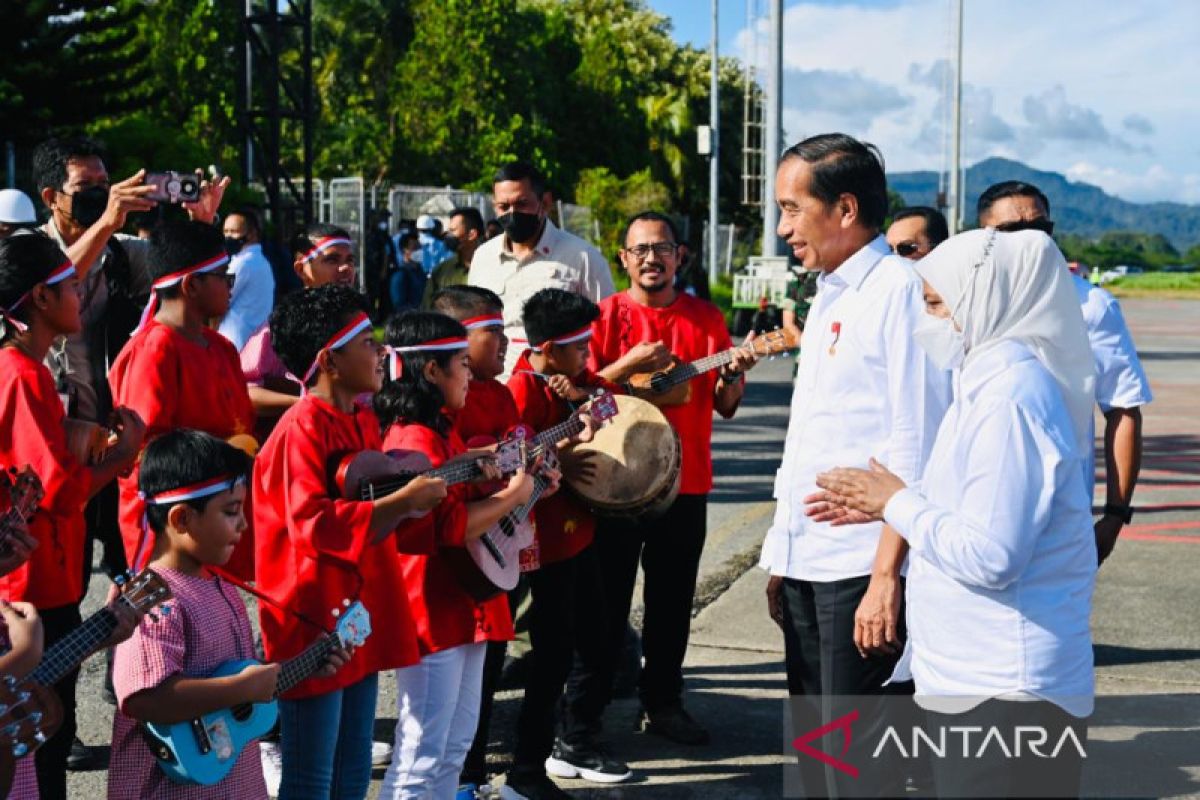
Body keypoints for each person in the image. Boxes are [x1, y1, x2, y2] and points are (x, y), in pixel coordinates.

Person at [812, 228, 1096, 797]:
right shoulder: (985, 382)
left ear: (985, 299)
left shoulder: (1010, 401)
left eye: (937, 303)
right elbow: (966, 508)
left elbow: (993, 556)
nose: (926, 321)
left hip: (1006, 693)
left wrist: (894, 501)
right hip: (976, 681)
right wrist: (883, 501)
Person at [758, 133, 950, 798]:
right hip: (812, 562)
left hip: (859, 570)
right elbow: (816, 437)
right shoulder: (833, 293)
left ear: (844, 209)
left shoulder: (899, 292)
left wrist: (885, 577)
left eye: (790, 209)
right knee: (819, 756)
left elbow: (913, 445)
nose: (782, 229)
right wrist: (783, 555)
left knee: (860, 767)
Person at [565, 211, 757, 750]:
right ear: (623, 258)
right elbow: (581, 393)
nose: (652, 258)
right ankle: (586, 715)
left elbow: (725, 405)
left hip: (686, 483)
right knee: (605, 603)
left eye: (663, 248)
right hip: (613, 482)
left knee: (672, 604)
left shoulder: (707, 319)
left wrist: (734, 372)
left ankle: (664, 703)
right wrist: (632, 366)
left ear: (680, 256)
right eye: (640, 249)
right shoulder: (602, 318)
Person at [254, 286, 446, 799]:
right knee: (311, 776)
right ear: (328, 360)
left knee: (354, 764)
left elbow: (373, 497)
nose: (380, 350)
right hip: (312, 615)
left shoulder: (361, 416)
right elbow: (312, 526)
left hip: (356, 608)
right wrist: (404, 501)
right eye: (366, 340)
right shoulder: (301, 428)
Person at [108, 430, 353, 800]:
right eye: (231, 511)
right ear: (181, 519)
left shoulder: (220, 585)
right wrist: (241, 688)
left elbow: (238, 689)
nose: (243, 525)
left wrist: (307, 664)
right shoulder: (154, 599)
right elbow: (145, 698)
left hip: (235, 784)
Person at [0, 231, 144, 799]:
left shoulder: (22, 367)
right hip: (32, 583)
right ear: (39, 297)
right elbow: (57, 490)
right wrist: (124, 458)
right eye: (69, 284)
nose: (79, 292)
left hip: (37, 574)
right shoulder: (24, 372)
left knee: (40, 736)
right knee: (40, 740)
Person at [375, 311, 542, 799]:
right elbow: (450, 528)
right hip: (433, 606)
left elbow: (471, 509)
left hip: (463, 603)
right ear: (431, 371)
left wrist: (524, 489)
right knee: (423, 751)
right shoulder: (413, 437)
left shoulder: (439, 428)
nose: (469, 375)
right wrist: (514, 495)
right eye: (461, 364)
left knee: (453, 747)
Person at [977, 180, 1152, 564]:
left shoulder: (1091, 307)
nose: (1031, 240)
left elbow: (1123, 409)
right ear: (983, 237)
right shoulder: (963, 302)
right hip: (972, 509)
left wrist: (1115, 514)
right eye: (1012, 230)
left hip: (1058, 519)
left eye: (1040, 228)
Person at [503, 288, 627, 800]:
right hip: (542, 544)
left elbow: (612, 403)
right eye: (579, 348)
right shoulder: (520, 390)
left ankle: (573, 742)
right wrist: (561, 460)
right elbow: (513, 460)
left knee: (597, 640)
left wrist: (580, 398)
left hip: (581, 536)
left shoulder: (575, 378)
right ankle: (528, 767)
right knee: (550, 654)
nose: (588, 358)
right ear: (549, 348)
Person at [107, 219, 257, 579]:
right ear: (192, 284)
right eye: (224, 276)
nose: (230, 285)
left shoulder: (220, 346)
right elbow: (145, 455)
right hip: (176, 526)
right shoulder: (154, 349)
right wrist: (220, 454)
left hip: (219, 510)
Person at [469, 161, 615, 377]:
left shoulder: (583, 257)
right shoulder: (484, 256)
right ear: (494, 206)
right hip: (495, 388)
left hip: (555, 392)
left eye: (522, 204)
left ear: (545, 202)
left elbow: (605, 329)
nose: (512, 214)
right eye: (504, 207)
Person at [239, 223, 357, 433]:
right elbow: (243, 394)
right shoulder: (280, 329)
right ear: (301, 269)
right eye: (332, 260)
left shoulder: (358, 324)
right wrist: (304, 403)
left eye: (349, 260)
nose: (345, 268)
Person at [218, 208, 276, 351]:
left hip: (235, 343)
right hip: (253, 343)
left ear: (252, 234)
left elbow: (218, 300)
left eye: (234, 231)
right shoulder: (261, 261)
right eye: (225, 232)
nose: (228, 236)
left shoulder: (243, 263)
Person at [422, 208, 486, 308]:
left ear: (471, 235)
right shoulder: (441, 272)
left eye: (453, 231)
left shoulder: (492, 267)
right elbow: (427, 309)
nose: (447, 235)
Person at [390, 232, 427, 313]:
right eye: (415, 248)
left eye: (419, 247)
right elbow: (399, 305)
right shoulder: (400, 275)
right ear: (404, 250)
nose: (419, 251)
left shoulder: (421, 273)